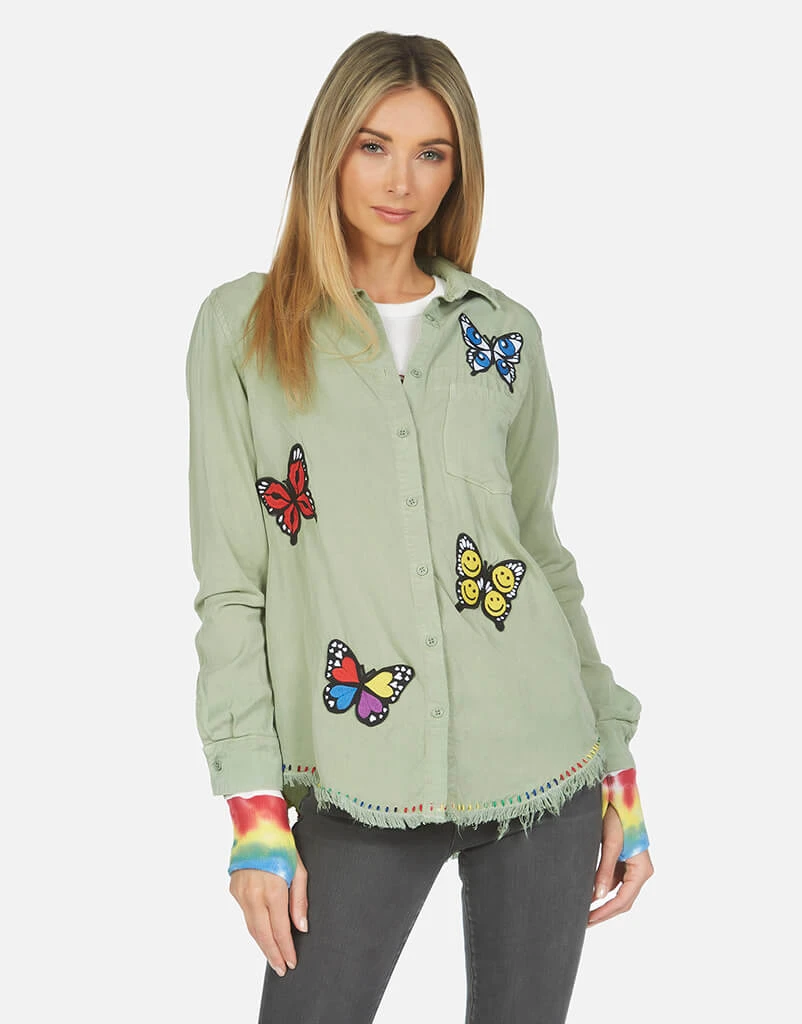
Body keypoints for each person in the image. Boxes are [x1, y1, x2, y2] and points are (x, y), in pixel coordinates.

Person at [185, 30, 654, 1024]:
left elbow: (539, 553)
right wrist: (253, 804)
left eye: (431, 152)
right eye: (374, 146)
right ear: (329, 151)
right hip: (358, 774)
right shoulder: (244, 327)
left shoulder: (502, 333)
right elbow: (232, 584)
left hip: (543, 765)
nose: (402, 181)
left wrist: (615, 760)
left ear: (458, 167)